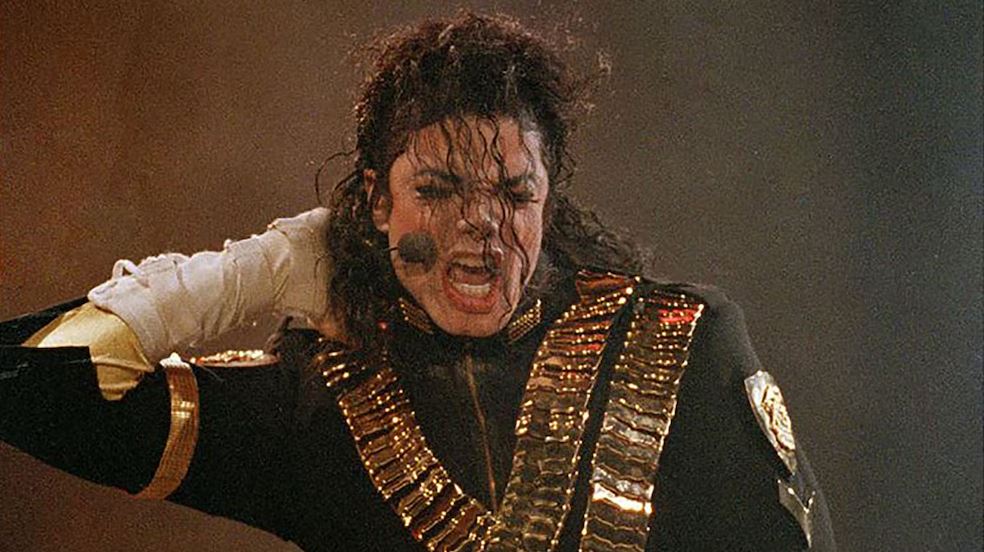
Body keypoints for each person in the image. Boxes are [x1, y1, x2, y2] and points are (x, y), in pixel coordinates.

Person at [0, 12, 835, 551]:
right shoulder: (317, 400)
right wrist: (246, 275)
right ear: (377, 203)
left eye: (514, 194)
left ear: (549, 201)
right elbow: (31, 385)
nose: (481, 224)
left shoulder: (677, 345)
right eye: (437, 191)